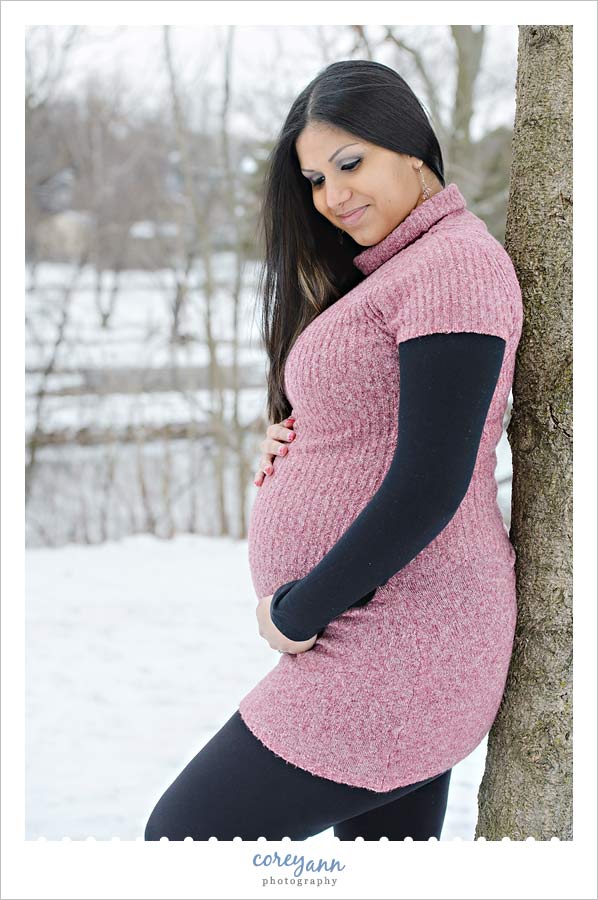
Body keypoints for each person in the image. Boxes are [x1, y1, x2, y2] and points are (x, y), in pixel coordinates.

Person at [144, 59, 523, 841]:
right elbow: (375, 418)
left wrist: (299, 610)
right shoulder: (401, 269)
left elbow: (432, 482)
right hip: (389, 636)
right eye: (316, 179)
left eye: (351, 163)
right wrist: (301, 431)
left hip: (402, 642)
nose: (333, 196)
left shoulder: (455, 262)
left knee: (179, 843)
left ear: (412, 149)